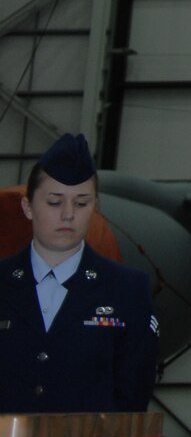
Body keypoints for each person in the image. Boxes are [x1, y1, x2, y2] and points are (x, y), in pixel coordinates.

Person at [2, 133, 159, 413]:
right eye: (54, 202)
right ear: (27, 207)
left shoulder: (127, 290)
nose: (68, 214)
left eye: (81, 203)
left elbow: (133, 396)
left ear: (95, 207)